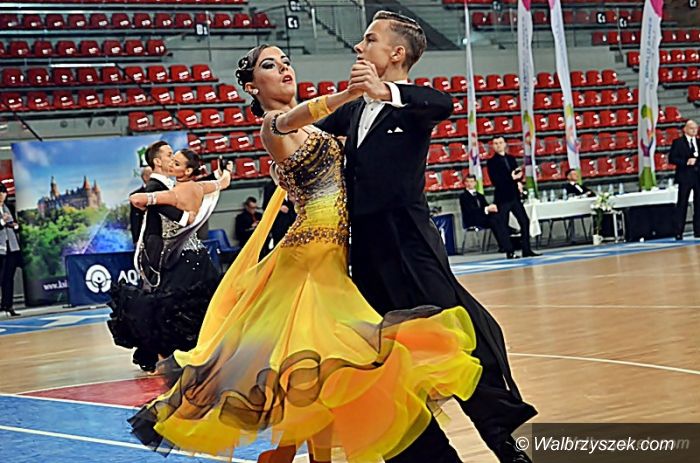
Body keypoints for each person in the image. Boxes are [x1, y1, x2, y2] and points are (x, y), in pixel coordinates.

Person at [127, 44, 483, 463]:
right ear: (252, 87)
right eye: (269, 65)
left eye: (286, 62)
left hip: (332, 253)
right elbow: (296, 118)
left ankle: (294, 453)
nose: (284, 69)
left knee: (318, 368)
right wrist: (349, 94)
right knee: (334, 358)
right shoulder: (273, 125)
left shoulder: (317, 129)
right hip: (310, 257)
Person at [316, 12, 536, 463]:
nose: (359, 47)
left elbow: (442, 103)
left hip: (410, 245)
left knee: (458, 341)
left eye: (369, 40)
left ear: (397, 53)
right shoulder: (352, 111)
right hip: (365, 253)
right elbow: (306, 137)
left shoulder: (413, 106)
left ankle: (508, 445)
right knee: (382, 358)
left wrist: (386, 92)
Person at [107, 147, 226, 373]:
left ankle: (187, 350)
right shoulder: (157, 186)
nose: (172, 160)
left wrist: (219, 176)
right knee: (172, 303)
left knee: (181, 302)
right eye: (169, 156)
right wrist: (185, 215)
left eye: (176, 159)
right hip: (170, 253)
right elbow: (150, 202)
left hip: (183, 253)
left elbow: (151, 199)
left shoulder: (175, 186)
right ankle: (169, 353)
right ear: (158, 161)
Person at [487, 136, 541, 260]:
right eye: (496, 143)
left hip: (514, 195)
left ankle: (526, 249)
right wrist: (510, 178)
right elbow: (495, 180)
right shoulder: (492, 162)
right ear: (493, 146)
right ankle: (509, 251)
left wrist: (518, 180)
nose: (498, 145)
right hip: (502, 197)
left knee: (524, 221)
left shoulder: (511, 159)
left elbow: (516, 175)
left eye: (500, 143)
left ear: (505, 144)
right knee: (503, 224)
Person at [459, 175, 517, 259]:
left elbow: (485, 205)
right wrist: (486, 209)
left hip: (483, 218)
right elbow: (471, 210)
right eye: (467, 182)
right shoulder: (463, 196)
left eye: (471, 181)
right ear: (464, 183)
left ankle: (506, 246)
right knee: (495, 220)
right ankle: (507, 242)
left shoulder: (480, 195)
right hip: (472, 219)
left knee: (497, 218)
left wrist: (490, 208)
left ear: (475, 183)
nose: (469, 184)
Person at [669, 119, 700, 239]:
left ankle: (698, 230)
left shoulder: (699, 142)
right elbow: (672, 158)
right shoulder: (678, 143)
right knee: (682, 204)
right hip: (685, 177)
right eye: (692, 128)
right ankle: (678, 231)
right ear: (685, 129)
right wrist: (686, 162)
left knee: (698, 204)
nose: (694, 131)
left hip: (698, 177)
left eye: (696, 128)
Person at [0, 183, 21, 317]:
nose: (2, 195)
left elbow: (16, 225)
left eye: (3, 192)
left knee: (9, 278)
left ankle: (8, 305)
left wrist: (15, 225)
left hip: (12, 247)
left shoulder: (9, 207)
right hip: (0, 248)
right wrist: (2, 221)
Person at [129, 166, 152, 245]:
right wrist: (136, 238)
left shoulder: (163, 193)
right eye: (152, 175)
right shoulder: (135, 195)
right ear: (145, 177)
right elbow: (134, 219)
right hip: (144, 235)